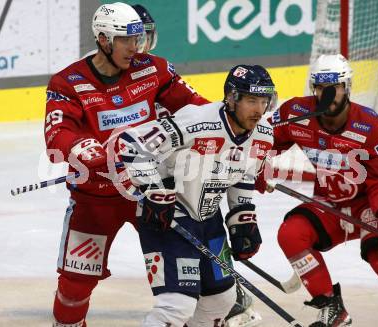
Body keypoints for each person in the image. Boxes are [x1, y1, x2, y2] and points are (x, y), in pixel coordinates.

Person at [44, 3, 209, 326]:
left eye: (138, 39)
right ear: (103, 39)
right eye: (126, 40)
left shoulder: (154, 69)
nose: (136, 48)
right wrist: (97, 153)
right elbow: (58, 136)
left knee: (186, 271)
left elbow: (196, 110)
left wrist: (231, 127)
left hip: (151, 193)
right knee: (74, 286)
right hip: (96, 200)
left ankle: (220, 303)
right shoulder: (68, 82)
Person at [256, 54, 378, 326]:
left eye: (335, 88)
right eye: (321, 88)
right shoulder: (296, 113)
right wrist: (258, 163)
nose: (327, 94)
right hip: (329, 203)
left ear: (347, 87)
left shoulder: (371, 127)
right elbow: (265, 141)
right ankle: (332, 308)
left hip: (369, 202)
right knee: (291, 234)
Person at [118, 64, 276, 326]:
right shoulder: (197, 120)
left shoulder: (264, 134)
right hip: (170, 217)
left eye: (263, 101)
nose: (259, 109)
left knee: (222, 300)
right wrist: (155, 190)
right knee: (177, 305)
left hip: (208, 219)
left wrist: (242, 217)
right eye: (251, 100)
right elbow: (133, 144)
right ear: (232, 98)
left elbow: (244, 173)